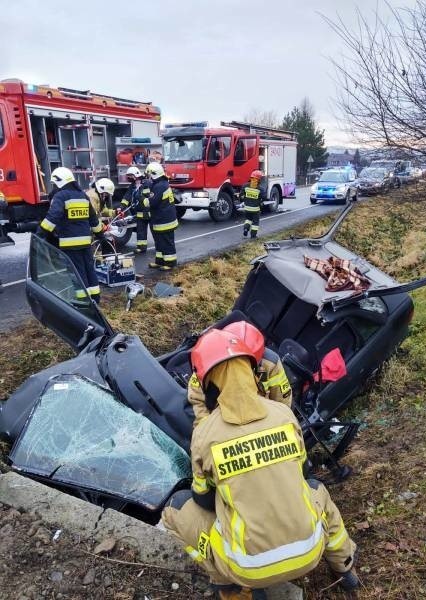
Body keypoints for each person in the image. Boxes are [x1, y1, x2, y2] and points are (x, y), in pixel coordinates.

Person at [162, 328, 358, 598]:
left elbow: (204, 500)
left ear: (209, 382)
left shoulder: (205, 435)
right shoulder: (283, 415)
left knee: (175, 509)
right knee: (317, 489)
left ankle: (230, 587)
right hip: (310, 552)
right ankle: (344, 566)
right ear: (251, 371)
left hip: (248, 568)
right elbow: (301, 473)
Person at [188, 321, 292, 428]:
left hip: (261, 416)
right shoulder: (207, 365)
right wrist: (211, 429)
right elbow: (197, 402)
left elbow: (282, 402)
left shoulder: (271, 364)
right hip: (223, 419)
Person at [37, 167, 104, 303]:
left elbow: (52, 217)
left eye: (55, 183)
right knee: (89, 270)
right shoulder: (83, 196)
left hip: (70, 244)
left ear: (60, 181)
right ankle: (95, 298)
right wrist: (101, 236)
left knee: (77, 273)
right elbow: (94, 220)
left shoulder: (61, 196)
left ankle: (84, 302)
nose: (55, 186)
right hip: (86, 243)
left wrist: (40, 233)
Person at [146, 162, 178, 271]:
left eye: (149, 175)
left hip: (165, 220)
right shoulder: (161, 183)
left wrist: (144, 201)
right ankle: (160, 261)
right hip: (161, 219)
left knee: (167, 242)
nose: (149, 178)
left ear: (154, 174)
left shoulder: (160, 186)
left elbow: (153, 202)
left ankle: (170, 263)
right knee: (159, 242)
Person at [119, 166, 151, 254]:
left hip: (150, 213)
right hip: (140, 213)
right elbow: (127, 197)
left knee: (156, 232)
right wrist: (122, 206)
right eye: (128, 176)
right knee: (140, 231)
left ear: (136, 175)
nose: (129, 178)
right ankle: (141, 247)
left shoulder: (147, 183)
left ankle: (160, 247)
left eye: (131, 176)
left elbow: (151, 197)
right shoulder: (132, 186)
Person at [240, 170, 264, 238]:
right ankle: (253, 236)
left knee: (248, 220)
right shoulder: (260, 189)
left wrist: (245, 199)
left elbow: (241, 195)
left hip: (247, 208)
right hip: (256, 209)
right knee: (255, 223)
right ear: (259, 179)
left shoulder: (245, 186)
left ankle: (245, 229)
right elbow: (263, 197)